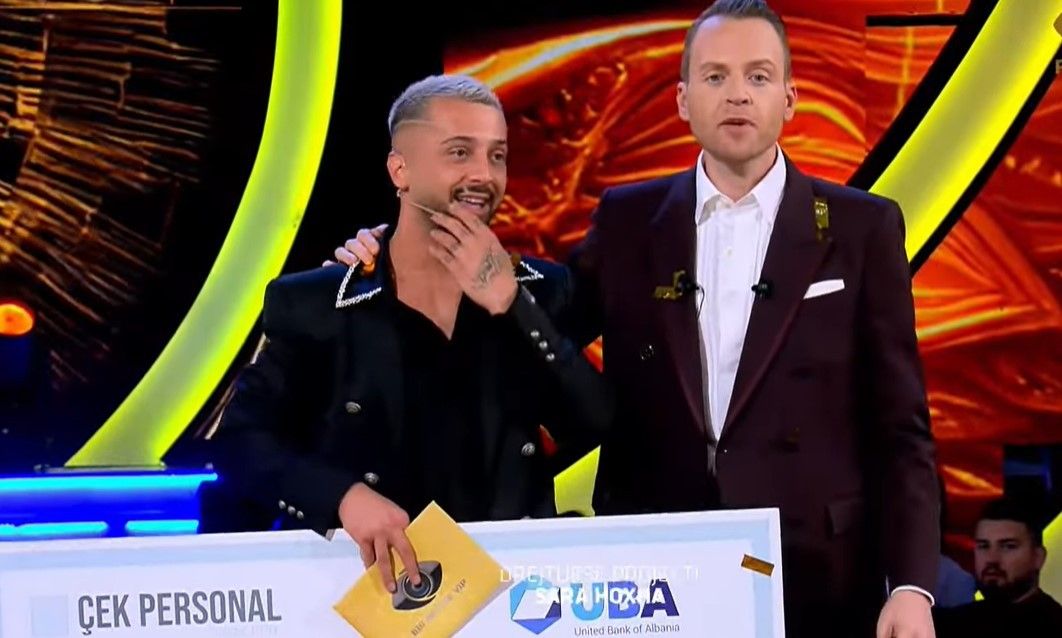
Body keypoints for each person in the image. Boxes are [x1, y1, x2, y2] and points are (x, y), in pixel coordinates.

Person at [335, 1, 939, 636]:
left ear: (789, 99)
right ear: (682, 100)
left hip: (815, 574)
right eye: (715, 76)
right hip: (655, 576)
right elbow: (535, 331)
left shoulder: (862, 227)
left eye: (758, 76)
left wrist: (913, 585)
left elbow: (901, 429)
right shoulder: (627, 220)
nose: (737, 94)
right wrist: (395, 252)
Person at [210, 74, 612, 594]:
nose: (483, 174)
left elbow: (595, 425)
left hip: (515, 593)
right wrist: (342, 497)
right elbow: (240, 444)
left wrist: (514, 306)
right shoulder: (319, 303)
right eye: (460, 152)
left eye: (497, 156)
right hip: (370, 590)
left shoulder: (545, 291)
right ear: (400, 169)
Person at [934, 498, 1062, 637]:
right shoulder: (953, 624)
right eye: (984, 546)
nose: (992, 558)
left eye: (1008, 546)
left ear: (1038, 557)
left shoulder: (1054, 625)